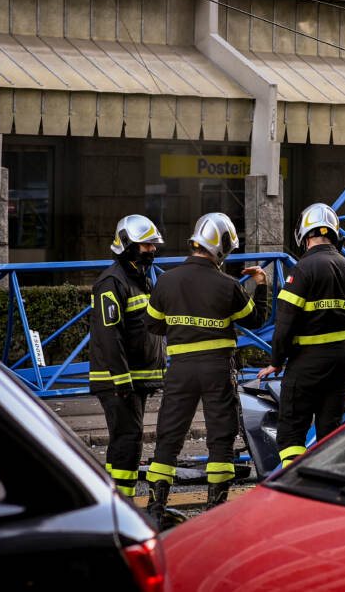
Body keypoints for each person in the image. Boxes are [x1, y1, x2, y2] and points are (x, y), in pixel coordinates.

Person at [144, 212, 268, 523]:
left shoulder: (166, 281)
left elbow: (153, 324)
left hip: (180, 370)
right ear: (221, 247)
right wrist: (261, 286)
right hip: (217, 369)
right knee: (220, 437)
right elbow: (256, 319)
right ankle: (215, 512)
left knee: (169, 436)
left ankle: (156, 509)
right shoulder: (228, 285)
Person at [256, 203, 345, 467]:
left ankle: (294, 492)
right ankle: (325, 490)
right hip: (344, 362)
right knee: (330, 434)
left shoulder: (302, 270)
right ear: (334, 234)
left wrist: (276, 360)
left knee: (292, 434)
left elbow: (285, 323)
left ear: (305, 236)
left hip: (307, 364)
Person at [89, 214, 166, 499]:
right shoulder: (111, 282)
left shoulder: (139, 278)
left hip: (136, 378)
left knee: (126, 439)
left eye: (152, 245)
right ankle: (122, 504)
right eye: (146, 246)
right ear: (128, 245)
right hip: (120, 381)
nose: (152, 250)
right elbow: (110, 335)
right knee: (128, 439)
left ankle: (115, 497)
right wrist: (121, 380)